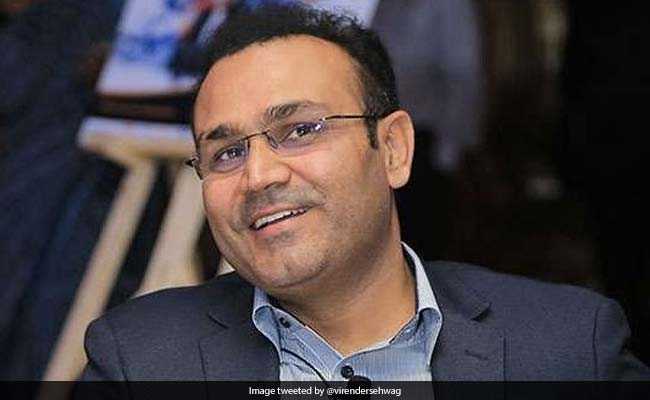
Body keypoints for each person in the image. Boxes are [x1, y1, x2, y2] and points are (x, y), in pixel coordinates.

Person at [81, 3, 649, 384]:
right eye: (227, 153)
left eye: (299, 130)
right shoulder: (138, 362)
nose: (258, 176)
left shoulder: (568, 350)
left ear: (394, 149)